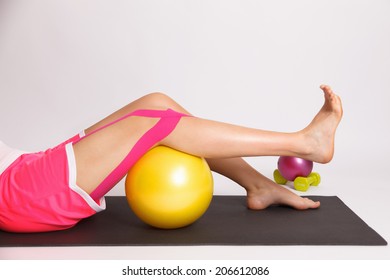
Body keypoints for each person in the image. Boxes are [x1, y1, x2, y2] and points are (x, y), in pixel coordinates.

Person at [0, 85, 343, 233]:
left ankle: (259, 186)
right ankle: (304, 144)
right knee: (155, 123)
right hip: (18, 195)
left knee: (157, 101)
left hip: (24, 167)